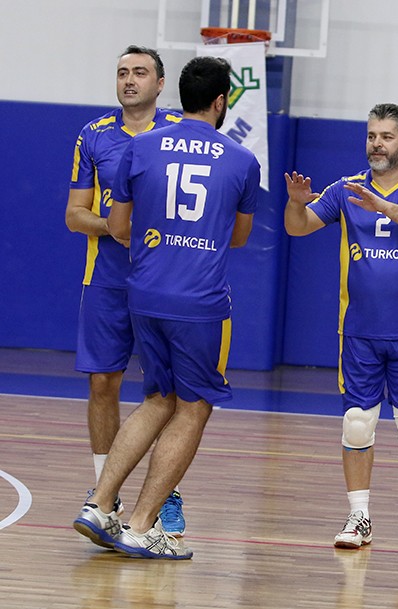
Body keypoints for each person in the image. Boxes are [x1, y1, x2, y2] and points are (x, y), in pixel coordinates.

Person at [73, 55, 260, 559]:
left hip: (143, 291)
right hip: (199, 300)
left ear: (175, 92)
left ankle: (99, 504)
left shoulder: (142, 146)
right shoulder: (242, 160)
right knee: (193, 407)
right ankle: (140, 526)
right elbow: (239, 237)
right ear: (221, 101)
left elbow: (117, 227)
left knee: (157, 399)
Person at [284, 103, 398, 555]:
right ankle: (359, 516)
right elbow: (298, 228)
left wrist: (385, 206)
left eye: (387, 136)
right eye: (372, 135)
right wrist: (295, 203)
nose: (377, 144)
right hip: (358, 333)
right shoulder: (345, 189)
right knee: (357, 425)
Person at [65, 45, 186, 535]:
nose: (129, 80)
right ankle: (105, 494)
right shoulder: (93, 135)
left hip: (167, 280)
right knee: (102, 383)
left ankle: (166, 495)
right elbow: (75, 215)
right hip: (107, 279)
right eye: (122, 73)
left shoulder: (181, 132)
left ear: (160, 83)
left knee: (166, 392)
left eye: (139, 72)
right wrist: (116, 229)